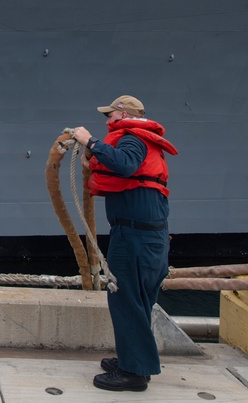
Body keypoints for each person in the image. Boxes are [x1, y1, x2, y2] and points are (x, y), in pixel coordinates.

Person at [71, 95, 178, 393]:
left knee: (126, 299)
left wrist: (91, 142)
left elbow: (127, 165)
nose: (107, 122)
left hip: (135, 237)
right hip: (147, 236)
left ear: (123, 114)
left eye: (110, 116)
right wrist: (95, 157)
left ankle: (134, 373)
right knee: (137, 300)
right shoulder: (142, 142)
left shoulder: (132, 140)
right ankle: (132, 360)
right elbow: (126, 169)